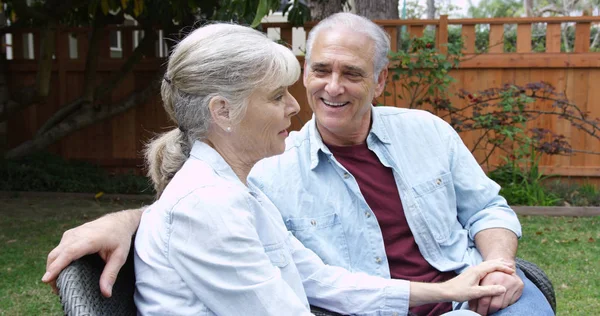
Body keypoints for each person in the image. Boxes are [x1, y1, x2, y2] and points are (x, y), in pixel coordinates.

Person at [43, 14, 554, 316]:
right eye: (278, 95)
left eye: (351, 73)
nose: (299, 104)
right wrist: (126, 218)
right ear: (223, 112)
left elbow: (319, 279)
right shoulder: (217, 201)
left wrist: (452, 290)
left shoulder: (239, 190)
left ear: (379, 81)